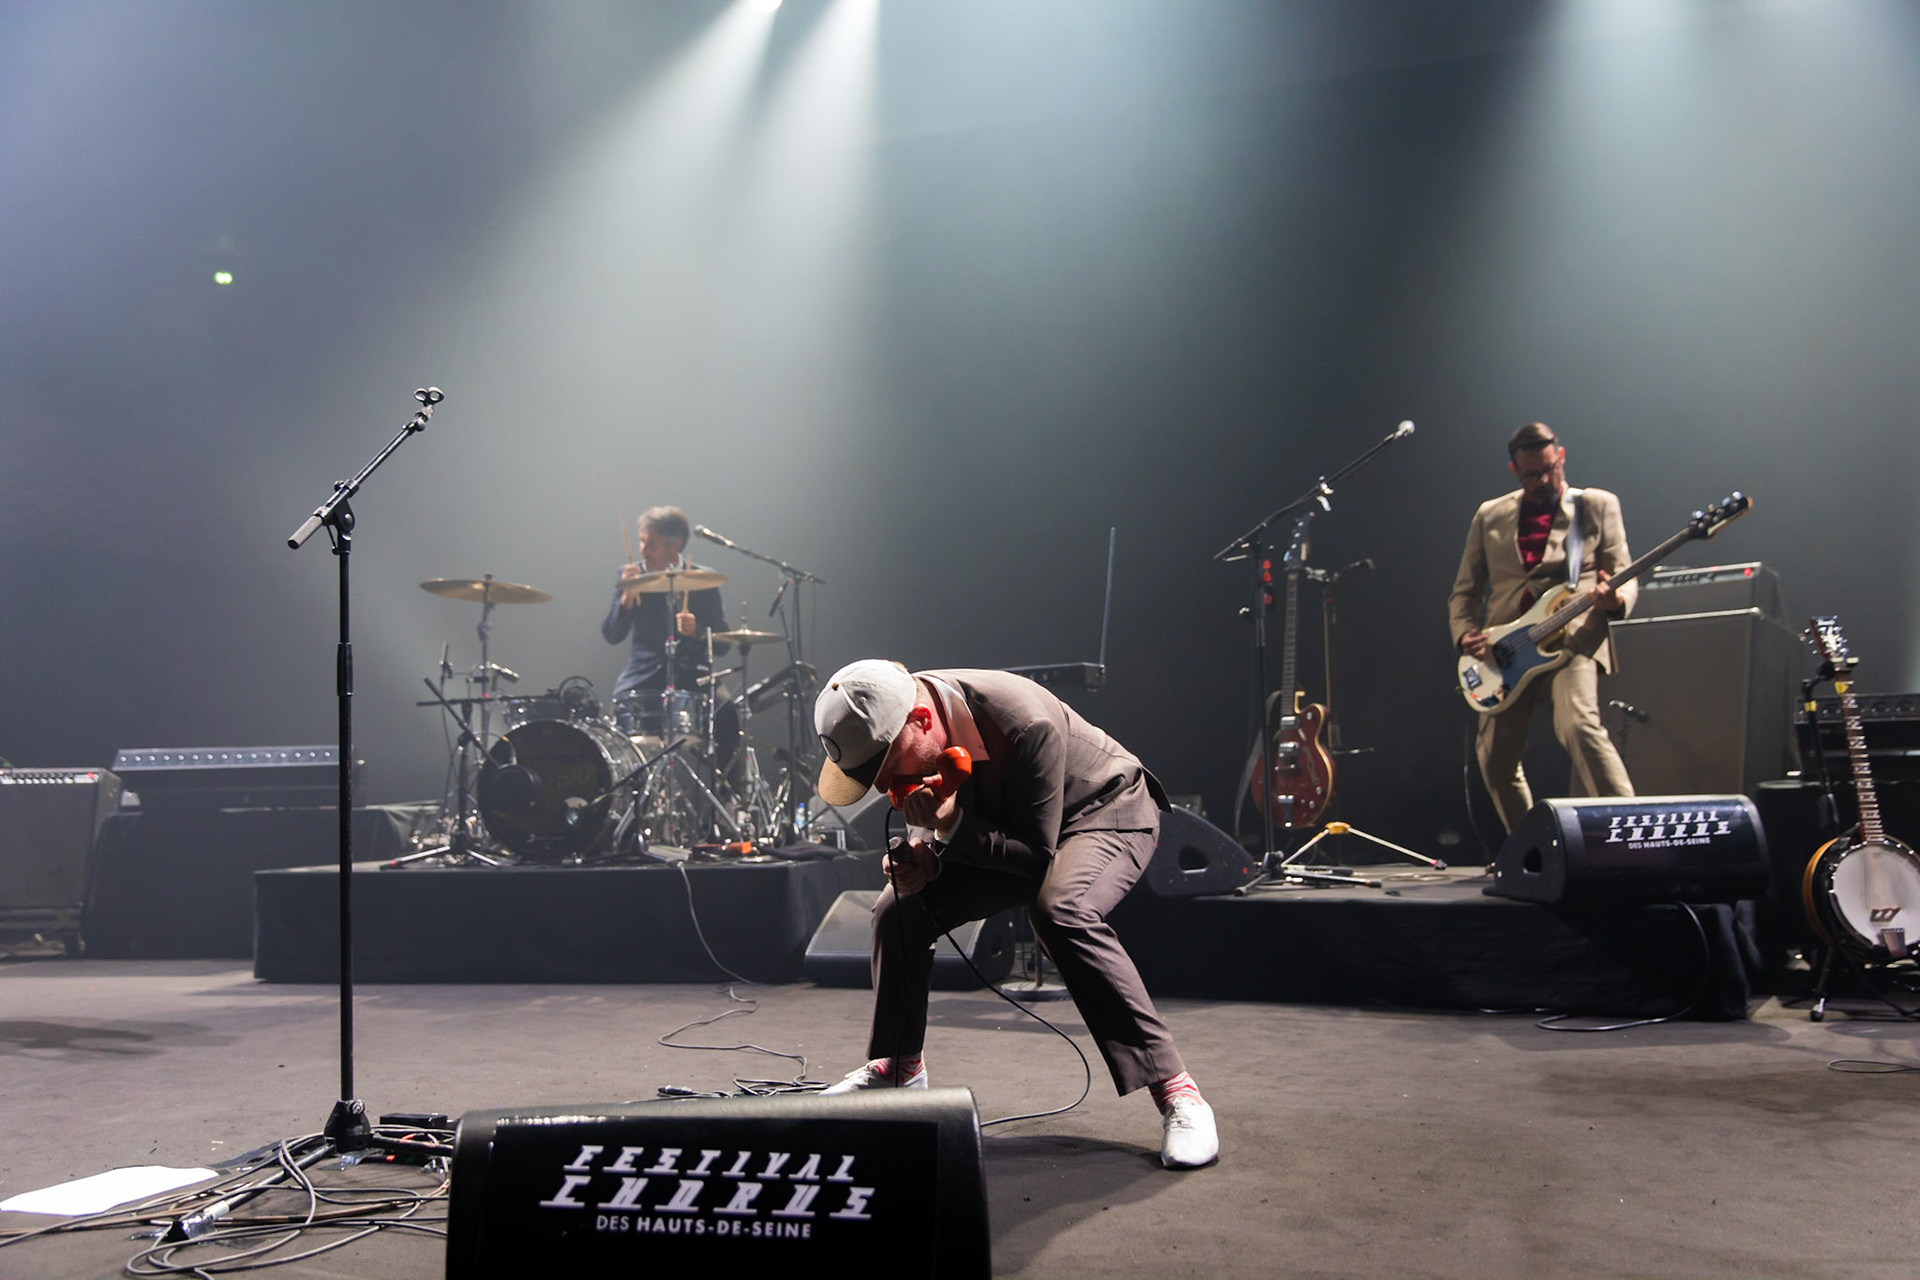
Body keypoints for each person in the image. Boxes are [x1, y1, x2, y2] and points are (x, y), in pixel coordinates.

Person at [811, 660, 1218, 1170]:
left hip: (1101, 812)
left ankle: (1178, 1092)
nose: (884, 787)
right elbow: (953, 818)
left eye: (887, 767)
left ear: (920, 719)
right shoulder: (913, 719)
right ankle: (899, 1068)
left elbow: (1032, 862)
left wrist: (953, 826)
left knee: (1060, 910)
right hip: (1012, 827)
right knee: (898, 909)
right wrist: (923, 856)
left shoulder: (1023, 721)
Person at [1448, 423, 1637, 833]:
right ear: (1515, 470)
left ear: (1562, 457)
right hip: (1506, 651)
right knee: (1495, 757)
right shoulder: (1489, 514)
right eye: (1533, 474)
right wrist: (1466, 633)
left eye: (1551, 469)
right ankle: (1532, 847)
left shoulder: (1597, 505)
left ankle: (1630, 832)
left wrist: (1616, 599)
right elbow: (1464, 592)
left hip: (1573, 640)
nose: (1544, 480)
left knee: (1579, 727)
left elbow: (1624, 572)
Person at [602, 505, 729, 712]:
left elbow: (724, 645)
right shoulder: (630, 576)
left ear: (676, 545)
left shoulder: (704, 580)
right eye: (641, 541)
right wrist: (625, 601)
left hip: (693, 677)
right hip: (643, 675)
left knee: (727, 715)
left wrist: (697, 630)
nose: (643, 550)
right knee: (619, 714)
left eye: (652, 544)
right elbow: (612, 636)